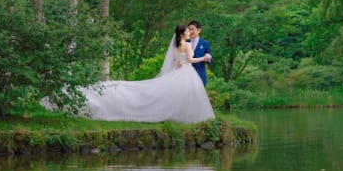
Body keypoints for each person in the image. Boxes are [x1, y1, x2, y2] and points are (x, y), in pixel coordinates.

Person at [41, 24, 214, 123]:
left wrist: (179, 62)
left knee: (168, 95)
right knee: (176, 96)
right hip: (185, 73)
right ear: (183, 33)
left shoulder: (176, 45)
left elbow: (176, 60)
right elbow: (190, 60)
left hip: (179, 71)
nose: (189, 32)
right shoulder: (187, 45)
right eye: (187, 31)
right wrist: (204, 57)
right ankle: (183, 117)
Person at [188, 21, 211, 86]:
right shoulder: (185, 42)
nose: (191, 31)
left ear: (199, 30)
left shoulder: (205, 43)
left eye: (193, 29)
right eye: (189, 29)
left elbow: (210, 58)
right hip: (186, 76)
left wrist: (208, 58)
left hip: (200, 75)